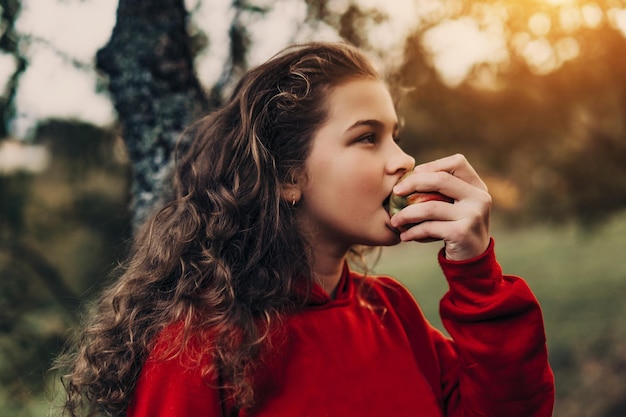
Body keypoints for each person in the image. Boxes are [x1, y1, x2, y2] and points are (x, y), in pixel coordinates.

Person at [57, 41, 554, 417]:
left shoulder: (391, 312)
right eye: (367, 138)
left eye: (396, 137)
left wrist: (477, 273)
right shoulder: (200, 346)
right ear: (286, 175)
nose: (403, 160)